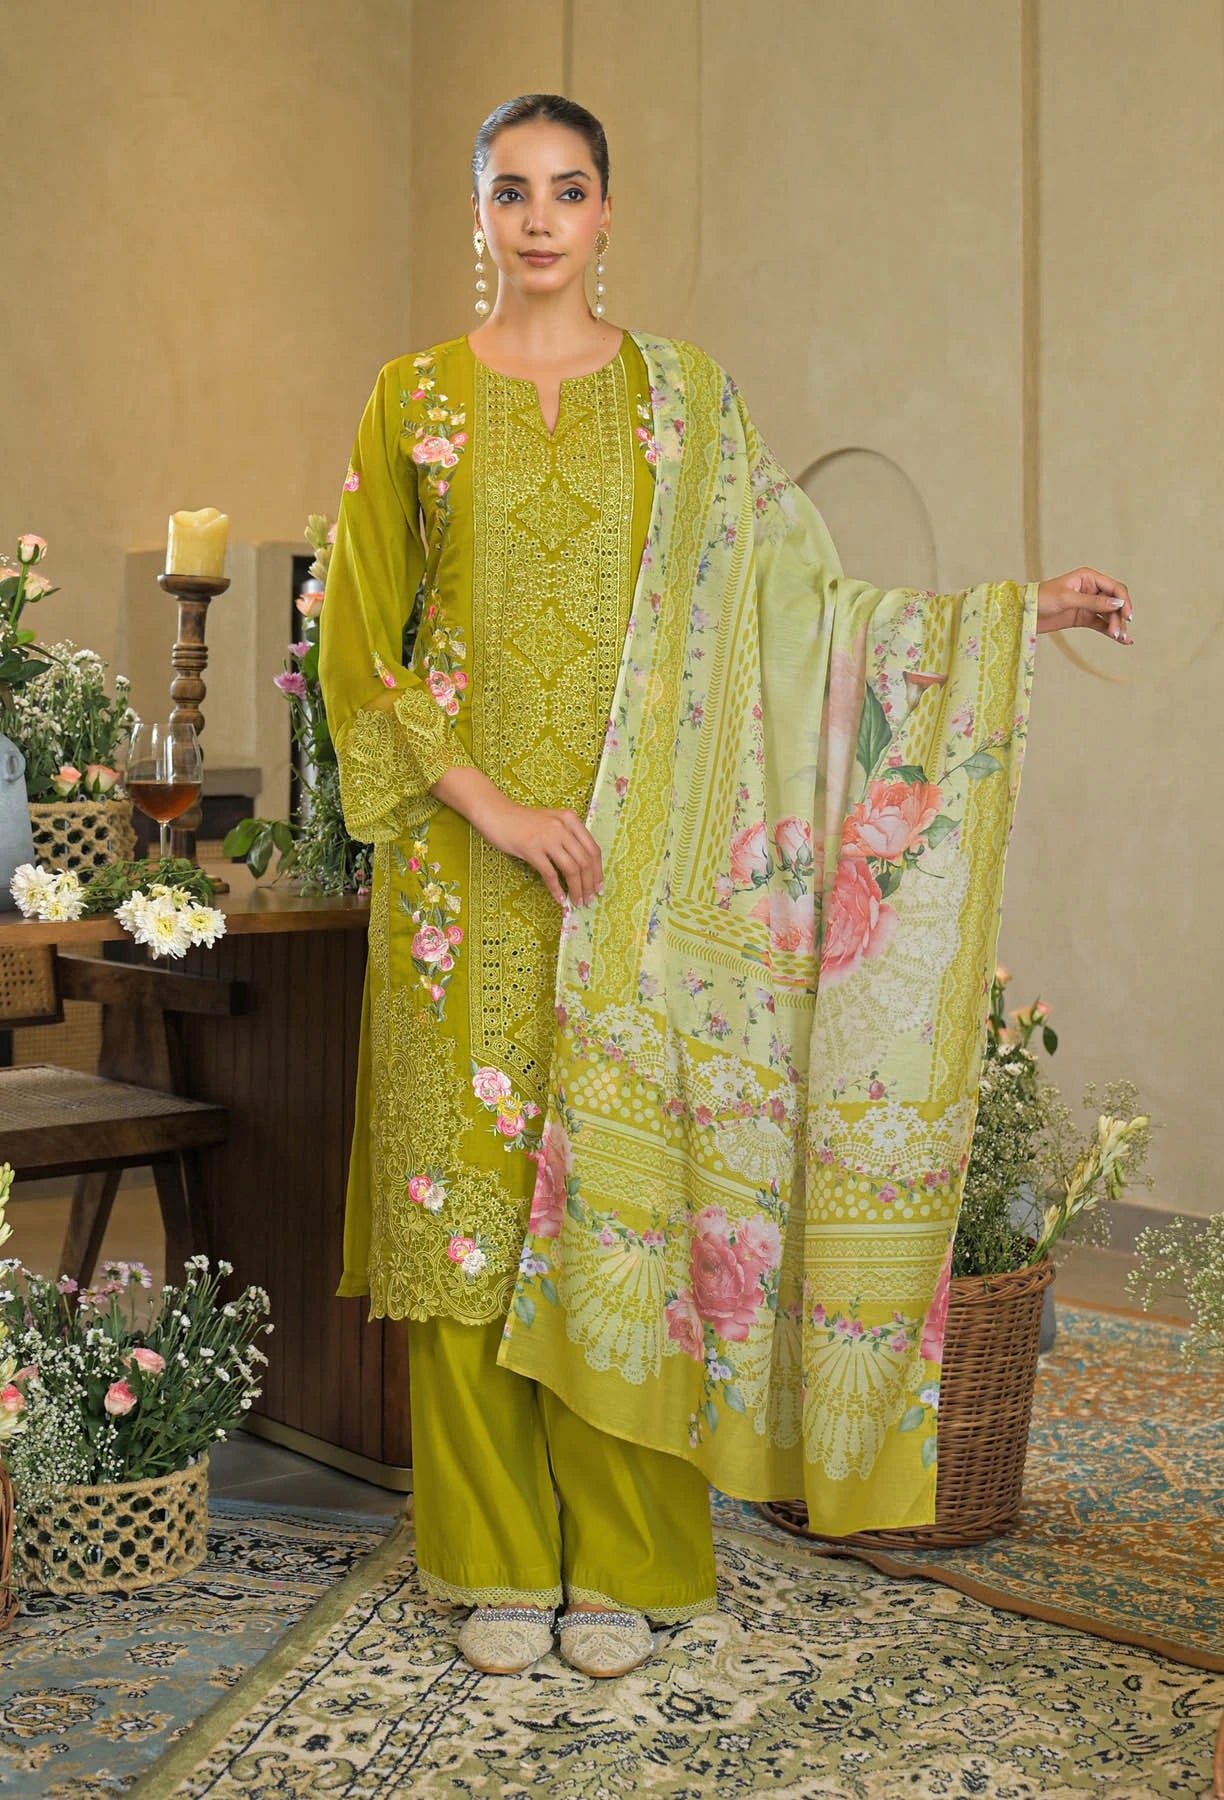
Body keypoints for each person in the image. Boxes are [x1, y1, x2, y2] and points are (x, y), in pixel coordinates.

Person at [319, 92, 1132, 1681]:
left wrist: (1005, 618)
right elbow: (360, 653)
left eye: (567, 190)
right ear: (478, 216)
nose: (538, 218)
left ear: (610, 212)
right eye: (509, 192)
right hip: (459, 884)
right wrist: (488, 804)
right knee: (469, 1220)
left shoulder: (682, 408)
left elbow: (802, 612)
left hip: (632, 878)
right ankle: (491, 1557)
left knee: (627, 1209)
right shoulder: (407, 403)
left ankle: (621, 1564)